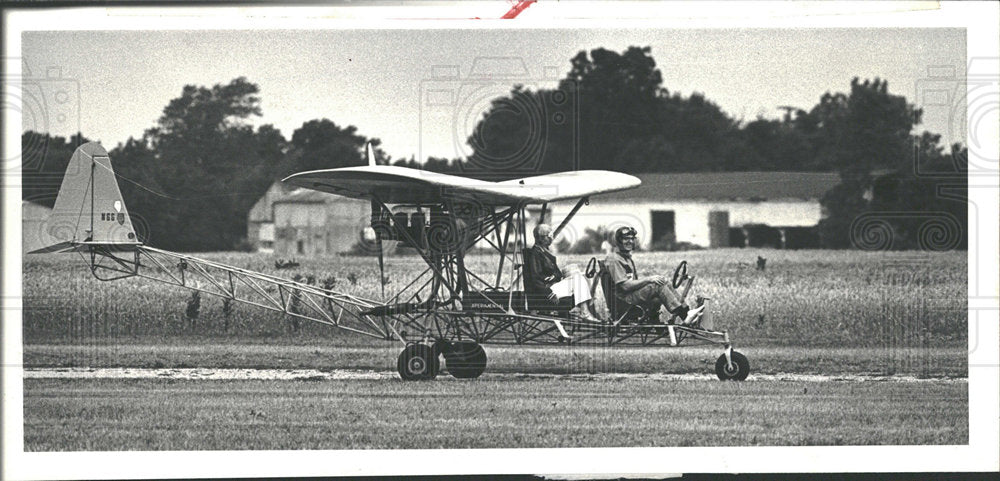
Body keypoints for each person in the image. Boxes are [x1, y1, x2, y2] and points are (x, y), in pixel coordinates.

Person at [604, 226, 705, 325]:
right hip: (622, 300)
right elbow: (625, 286)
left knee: (662, 280)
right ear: (618, 241)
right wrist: (649, 279)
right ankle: (686, 316)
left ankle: (687, 313)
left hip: (630, 296)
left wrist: (652, 280)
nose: (630, 241)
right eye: (626, 239)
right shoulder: (614, 260)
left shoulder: (626, 258)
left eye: (631, 239)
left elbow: (633, 283)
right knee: (656, 284)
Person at [524, 223, 598, 321]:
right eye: (549, 236)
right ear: (541, 238)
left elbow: (558, 274)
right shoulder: (535, 255)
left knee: (580, 276)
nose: (551, 239)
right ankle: (584, 312)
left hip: (551, 286)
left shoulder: (544, 253)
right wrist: (549, 293)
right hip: (546, 291)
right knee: (578, 279)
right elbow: (535, 280)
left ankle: (586, 310)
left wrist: (554, 276)